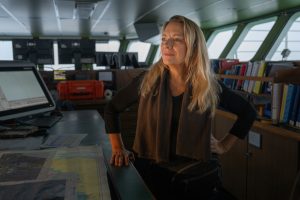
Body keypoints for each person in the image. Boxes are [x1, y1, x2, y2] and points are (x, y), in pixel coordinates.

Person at [104, 15, 256, 199]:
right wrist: (117, 147)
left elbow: (248, 113)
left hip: (192, 171)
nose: (167, 45)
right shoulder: (147, 80)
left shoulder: (208, 86)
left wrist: (224, 145)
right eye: (164, 39)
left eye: (176, 39)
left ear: (193, 48)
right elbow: (112, 108)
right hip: (150, 165)